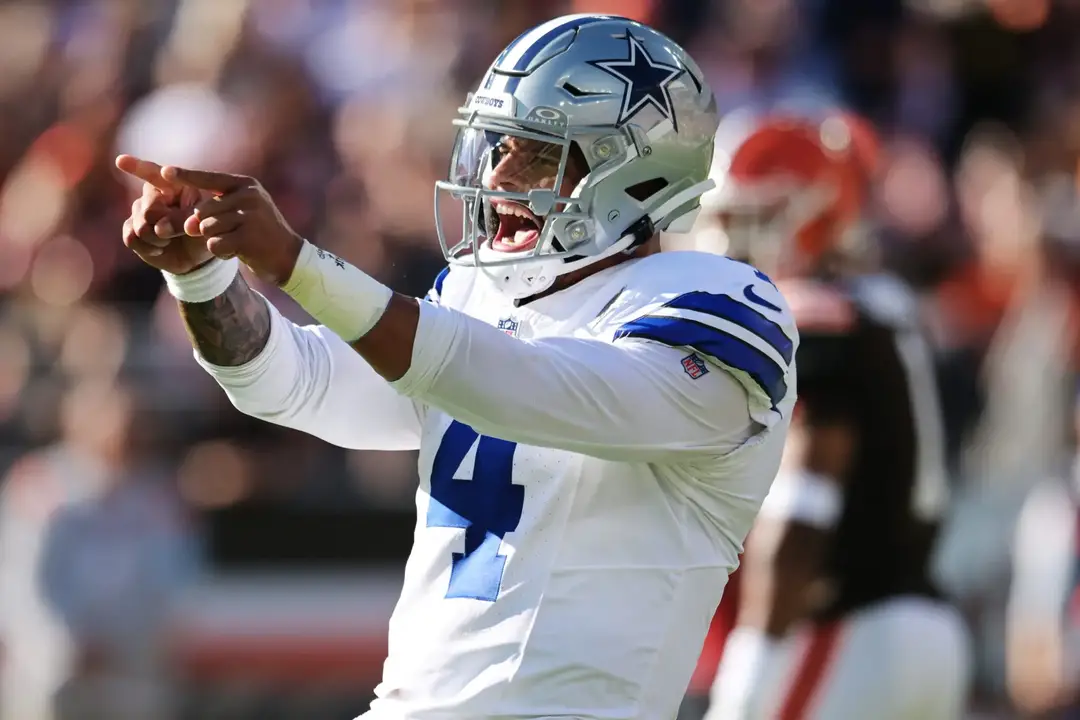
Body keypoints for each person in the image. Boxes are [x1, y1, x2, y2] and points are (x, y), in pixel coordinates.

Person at [117, 14, 798, 719]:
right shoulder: (479, 294)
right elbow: (294, 382)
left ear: (632, 172)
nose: (499, 173)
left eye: (537, 152)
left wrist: (296, 263)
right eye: (498, 145)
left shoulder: (716, 307)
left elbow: (522, 386)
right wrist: (202, 278)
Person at [693, 112, 970, 719]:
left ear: (811, 215)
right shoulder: (882, 306)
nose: (728, 246)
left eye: (750, 221)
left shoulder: (816, 319)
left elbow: (804, 505)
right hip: (925, 625)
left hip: (846, 631)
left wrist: (755, 658)